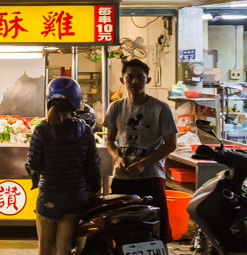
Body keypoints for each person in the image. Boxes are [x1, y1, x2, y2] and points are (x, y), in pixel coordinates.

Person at [104, 58, 179, 244]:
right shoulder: (115, 108)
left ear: (148, 80)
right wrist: (118, 157)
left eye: (140, 77)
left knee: (155, 229)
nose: (135, 81)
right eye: (130, 77)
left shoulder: (161, 108)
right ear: (122, 80)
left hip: (151, 177)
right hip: (122, 178)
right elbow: (110, 140)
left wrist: (143, 164)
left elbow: (170, 144)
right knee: (121, 229)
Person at [26, 77, 101, 255]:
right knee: (64, 248)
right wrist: (95, 189)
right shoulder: (85, 130)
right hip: (76, 195)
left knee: (45, 249)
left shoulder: (42, 129)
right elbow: (93, 165)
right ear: (75, 101)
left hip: (50, 193)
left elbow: (34, 163)